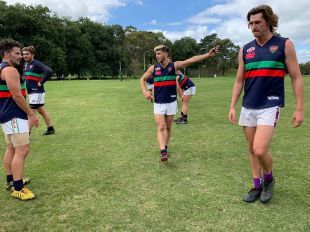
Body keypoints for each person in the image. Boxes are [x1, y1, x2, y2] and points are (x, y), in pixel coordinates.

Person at [228, 5, 304, 204]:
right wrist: (232, 106)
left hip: (270, 104)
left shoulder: (284, 44)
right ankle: (257, 184)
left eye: (257, 22)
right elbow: (238, 80)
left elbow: (296, 77)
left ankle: (268, 179)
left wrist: (299, 108)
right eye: (250, 23)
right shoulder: (245, 49)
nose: (253, 26)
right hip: (248, 105)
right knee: (252, 149)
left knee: (260, 149)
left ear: (269, 21)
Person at [140, 45, 218, 162]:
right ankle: (163, 151)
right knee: (161, 126)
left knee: (168, 126)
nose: (157, 56)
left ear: (166, 54)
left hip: (171, 102)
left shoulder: (174, 65)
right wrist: (145, 91)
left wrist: (208, 54)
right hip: (159, 102)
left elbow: (191, 60)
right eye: (156, 54)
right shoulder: (153, 68)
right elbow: (142, 79)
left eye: (159, 53)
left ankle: (165, 147)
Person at [0, 39, 39, 200]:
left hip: (7, 114)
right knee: (22, 150)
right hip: (15, 114)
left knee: (11, 148)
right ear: (6, 54)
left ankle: (11, 180)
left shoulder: (3, 68)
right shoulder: (10, 70)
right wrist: (31, 113)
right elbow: (16, 95)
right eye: (17, 53)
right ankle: (18, 187)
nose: (20, 56)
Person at [22, 46, 55, 135]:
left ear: (32, 55)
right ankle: (50, 128)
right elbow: (26, 77)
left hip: (37, 92)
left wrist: (41, 82)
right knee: (41, 110)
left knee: (31, 112)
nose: (25, 56)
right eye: (23, 54)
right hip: (31, 92)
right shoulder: (25, 64)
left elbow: (48, 71)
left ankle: (26, 134)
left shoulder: (36, 63)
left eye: (27, 54)